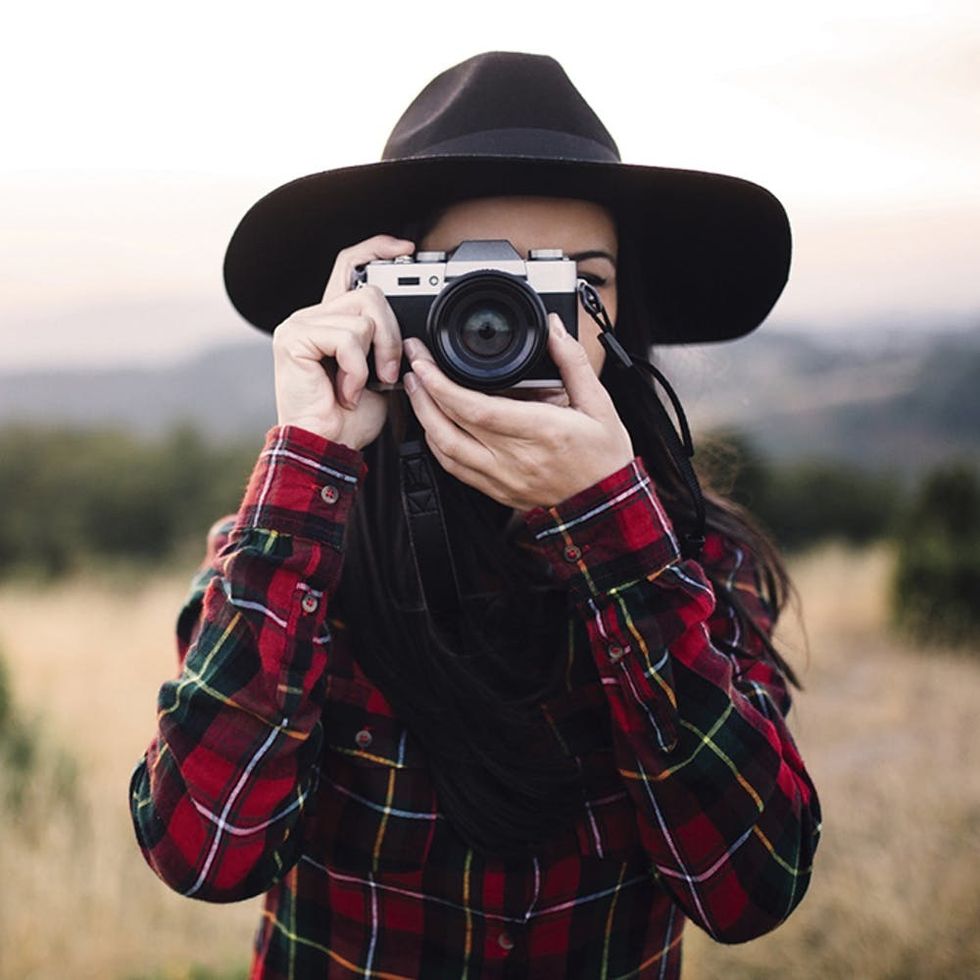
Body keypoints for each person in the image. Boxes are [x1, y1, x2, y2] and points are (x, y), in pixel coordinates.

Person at [129, 51, 821, 978]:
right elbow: (203, 854)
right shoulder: (294, 558)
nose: (521, 325)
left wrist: (612, 528)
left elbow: (754, 887)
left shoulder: (697, 561)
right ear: (385, 300)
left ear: (627, 319)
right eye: (472, 281)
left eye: (576, 283)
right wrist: (316, 456)